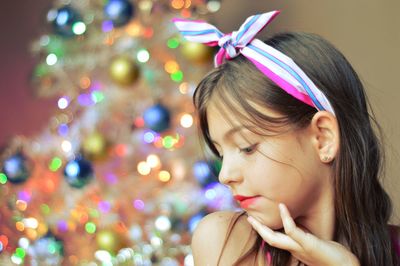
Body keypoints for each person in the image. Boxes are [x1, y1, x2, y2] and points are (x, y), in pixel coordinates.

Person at [174, 11, 400, 265]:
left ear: (322, 138)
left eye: (246, 147)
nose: (225, 175)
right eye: (220, 152)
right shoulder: (225, 244)